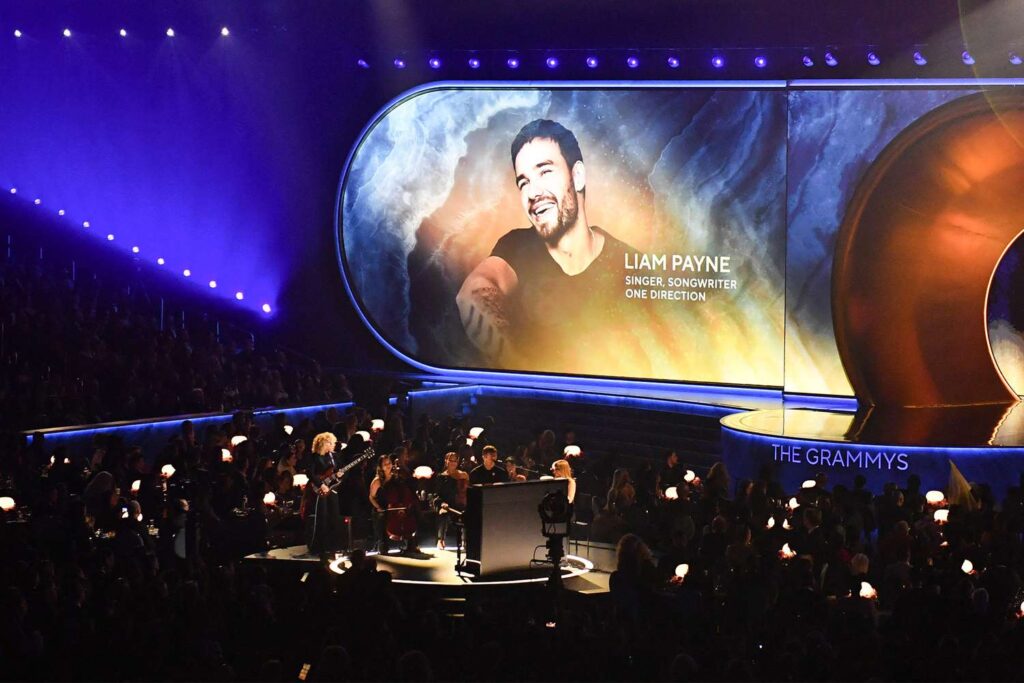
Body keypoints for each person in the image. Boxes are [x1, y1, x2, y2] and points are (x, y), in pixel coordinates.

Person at [455, 118, 649, 375]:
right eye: (523, 182)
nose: (533, 192)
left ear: (577, 175)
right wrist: (525, 372)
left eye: (545, 171)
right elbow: (474, 293)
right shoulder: (516, 246)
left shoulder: (630, 264)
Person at [306, 432, 345, 558]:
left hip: (332, 489)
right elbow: (310, 473)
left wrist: (340, 474)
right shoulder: (315, 457)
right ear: (324, 443)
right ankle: (319, 547)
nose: (333, 444)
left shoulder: (333, 456)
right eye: (331, 442)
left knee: (334, 517)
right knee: (322, 518)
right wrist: (320, 484)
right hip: (320, 489)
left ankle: (333, 546)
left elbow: (338, 470)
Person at [434, 452, 469, 549]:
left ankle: (465, 541)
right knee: (443, 513)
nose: (453, 463)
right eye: (451, 460)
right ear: (446, 461)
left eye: (455, 461)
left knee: (467, 513)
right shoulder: (441, 477)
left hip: (460, 504)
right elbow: (437, 495)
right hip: (447, 505)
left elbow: (468, 491)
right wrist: (442, 503)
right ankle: (441, 540)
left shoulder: (463, 475)